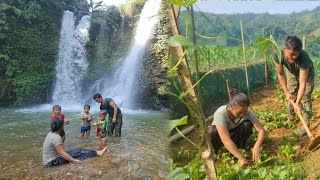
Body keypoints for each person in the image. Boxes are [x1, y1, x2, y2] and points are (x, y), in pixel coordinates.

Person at [207, 89, 266, 167]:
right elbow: (225, 139)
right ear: (231, 107)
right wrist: (241, 158)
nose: (242, 114)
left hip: (233, 134)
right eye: (239, 112)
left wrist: (257, 145)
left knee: (247, 125)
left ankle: (239, 147)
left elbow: (261, 130)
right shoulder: (221, 113)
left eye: (245, 111)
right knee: (211, 131)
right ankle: (216, 152)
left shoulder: (247, 113)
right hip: (220, 136)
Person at [273, 35, 315, 136]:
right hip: (291, 71)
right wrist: (286, 92)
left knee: (305, 97)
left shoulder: (303, 57)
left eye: (297, 54)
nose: (295, 57)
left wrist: (298, 103)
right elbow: (281, 74)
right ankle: (291, 117)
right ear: (285, 49)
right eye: (292, 54)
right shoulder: (277, 55)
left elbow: (303, 83)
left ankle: (305, 125)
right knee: (291, 94)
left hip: (306, 74)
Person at [42, 118, 108, 167]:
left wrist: (62, 123)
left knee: (79, 150)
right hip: (51, 162)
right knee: (79, 157)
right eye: (63, 125)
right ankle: (98, 153)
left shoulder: (51, 133)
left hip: (51, 159)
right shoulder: (56, 137)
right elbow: (62, 154)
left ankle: (97, 153)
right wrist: (75, 161)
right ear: (61, 127)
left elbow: (60, 152)